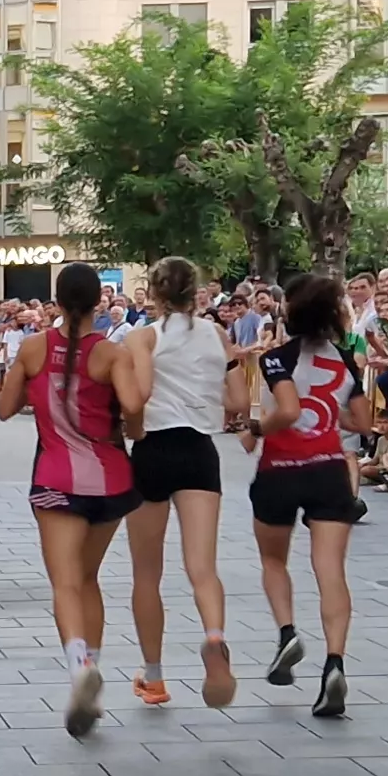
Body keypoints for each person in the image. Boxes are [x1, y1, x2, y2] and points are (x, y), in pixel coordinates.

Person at [0, 263, 144, 736]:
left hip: (56, 479)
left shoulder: (35, 347)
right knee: (88, 578)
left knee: (64, 583)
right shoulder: (113, 354)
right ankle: (94, 667)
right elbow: (136, 412)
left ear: (56, 302)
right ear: (99, 302)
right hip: (112, 481)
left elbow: (3, 409)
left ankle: (79, 666)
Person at [123, 258, 238, 709]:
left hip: (153, 448)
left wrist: (130, 428)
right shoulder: (217, 335)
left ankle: (153, 676)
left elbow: (141, 394)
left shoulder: (143, 337)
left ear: (153, 293)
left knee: (147, 573)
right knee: (202, 567)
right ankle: (214, 638)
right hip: (199, 451)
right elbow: (238, 399)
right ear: (197, 292)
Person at [247, 273, 364, 719]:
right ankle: (335, 661)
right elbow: (361, 422)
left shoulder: (278, 358)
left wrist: (256, 427)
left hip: (280, 470)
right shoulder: (347, 359)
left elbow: (289, 410)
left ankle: (287, 632)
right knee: (330, 569)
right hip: (329, 470)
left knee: (274, 561)